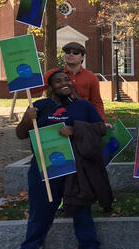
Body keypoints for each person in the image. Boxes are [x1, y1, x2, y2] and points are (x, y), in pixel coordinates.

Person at [16, 70, 106, 249]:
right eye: (58, 81)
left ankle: (89, 245)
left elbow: (100, 128)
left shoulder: (84, 106)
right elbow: (21, 134)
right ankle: (31, 245)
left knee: (82, 213)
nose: (64, 83)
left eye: (67, 80)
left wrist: (75, 129)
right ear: (50, 87)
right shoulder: (39, 106)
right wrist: (27, 119)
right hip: (45, 168)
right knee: (40, 213)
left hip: (76, 169)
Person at [32, 42, 105, 120]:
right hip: (59, 117)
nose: (71, 54)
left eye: (75, 53)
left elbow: (96, 102)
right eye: (67, 52)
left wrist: (101, 122)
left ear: (82, 57)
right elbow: (33, 89)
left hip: (82, 118)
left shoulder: (91, 77)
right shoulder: (53, 73)